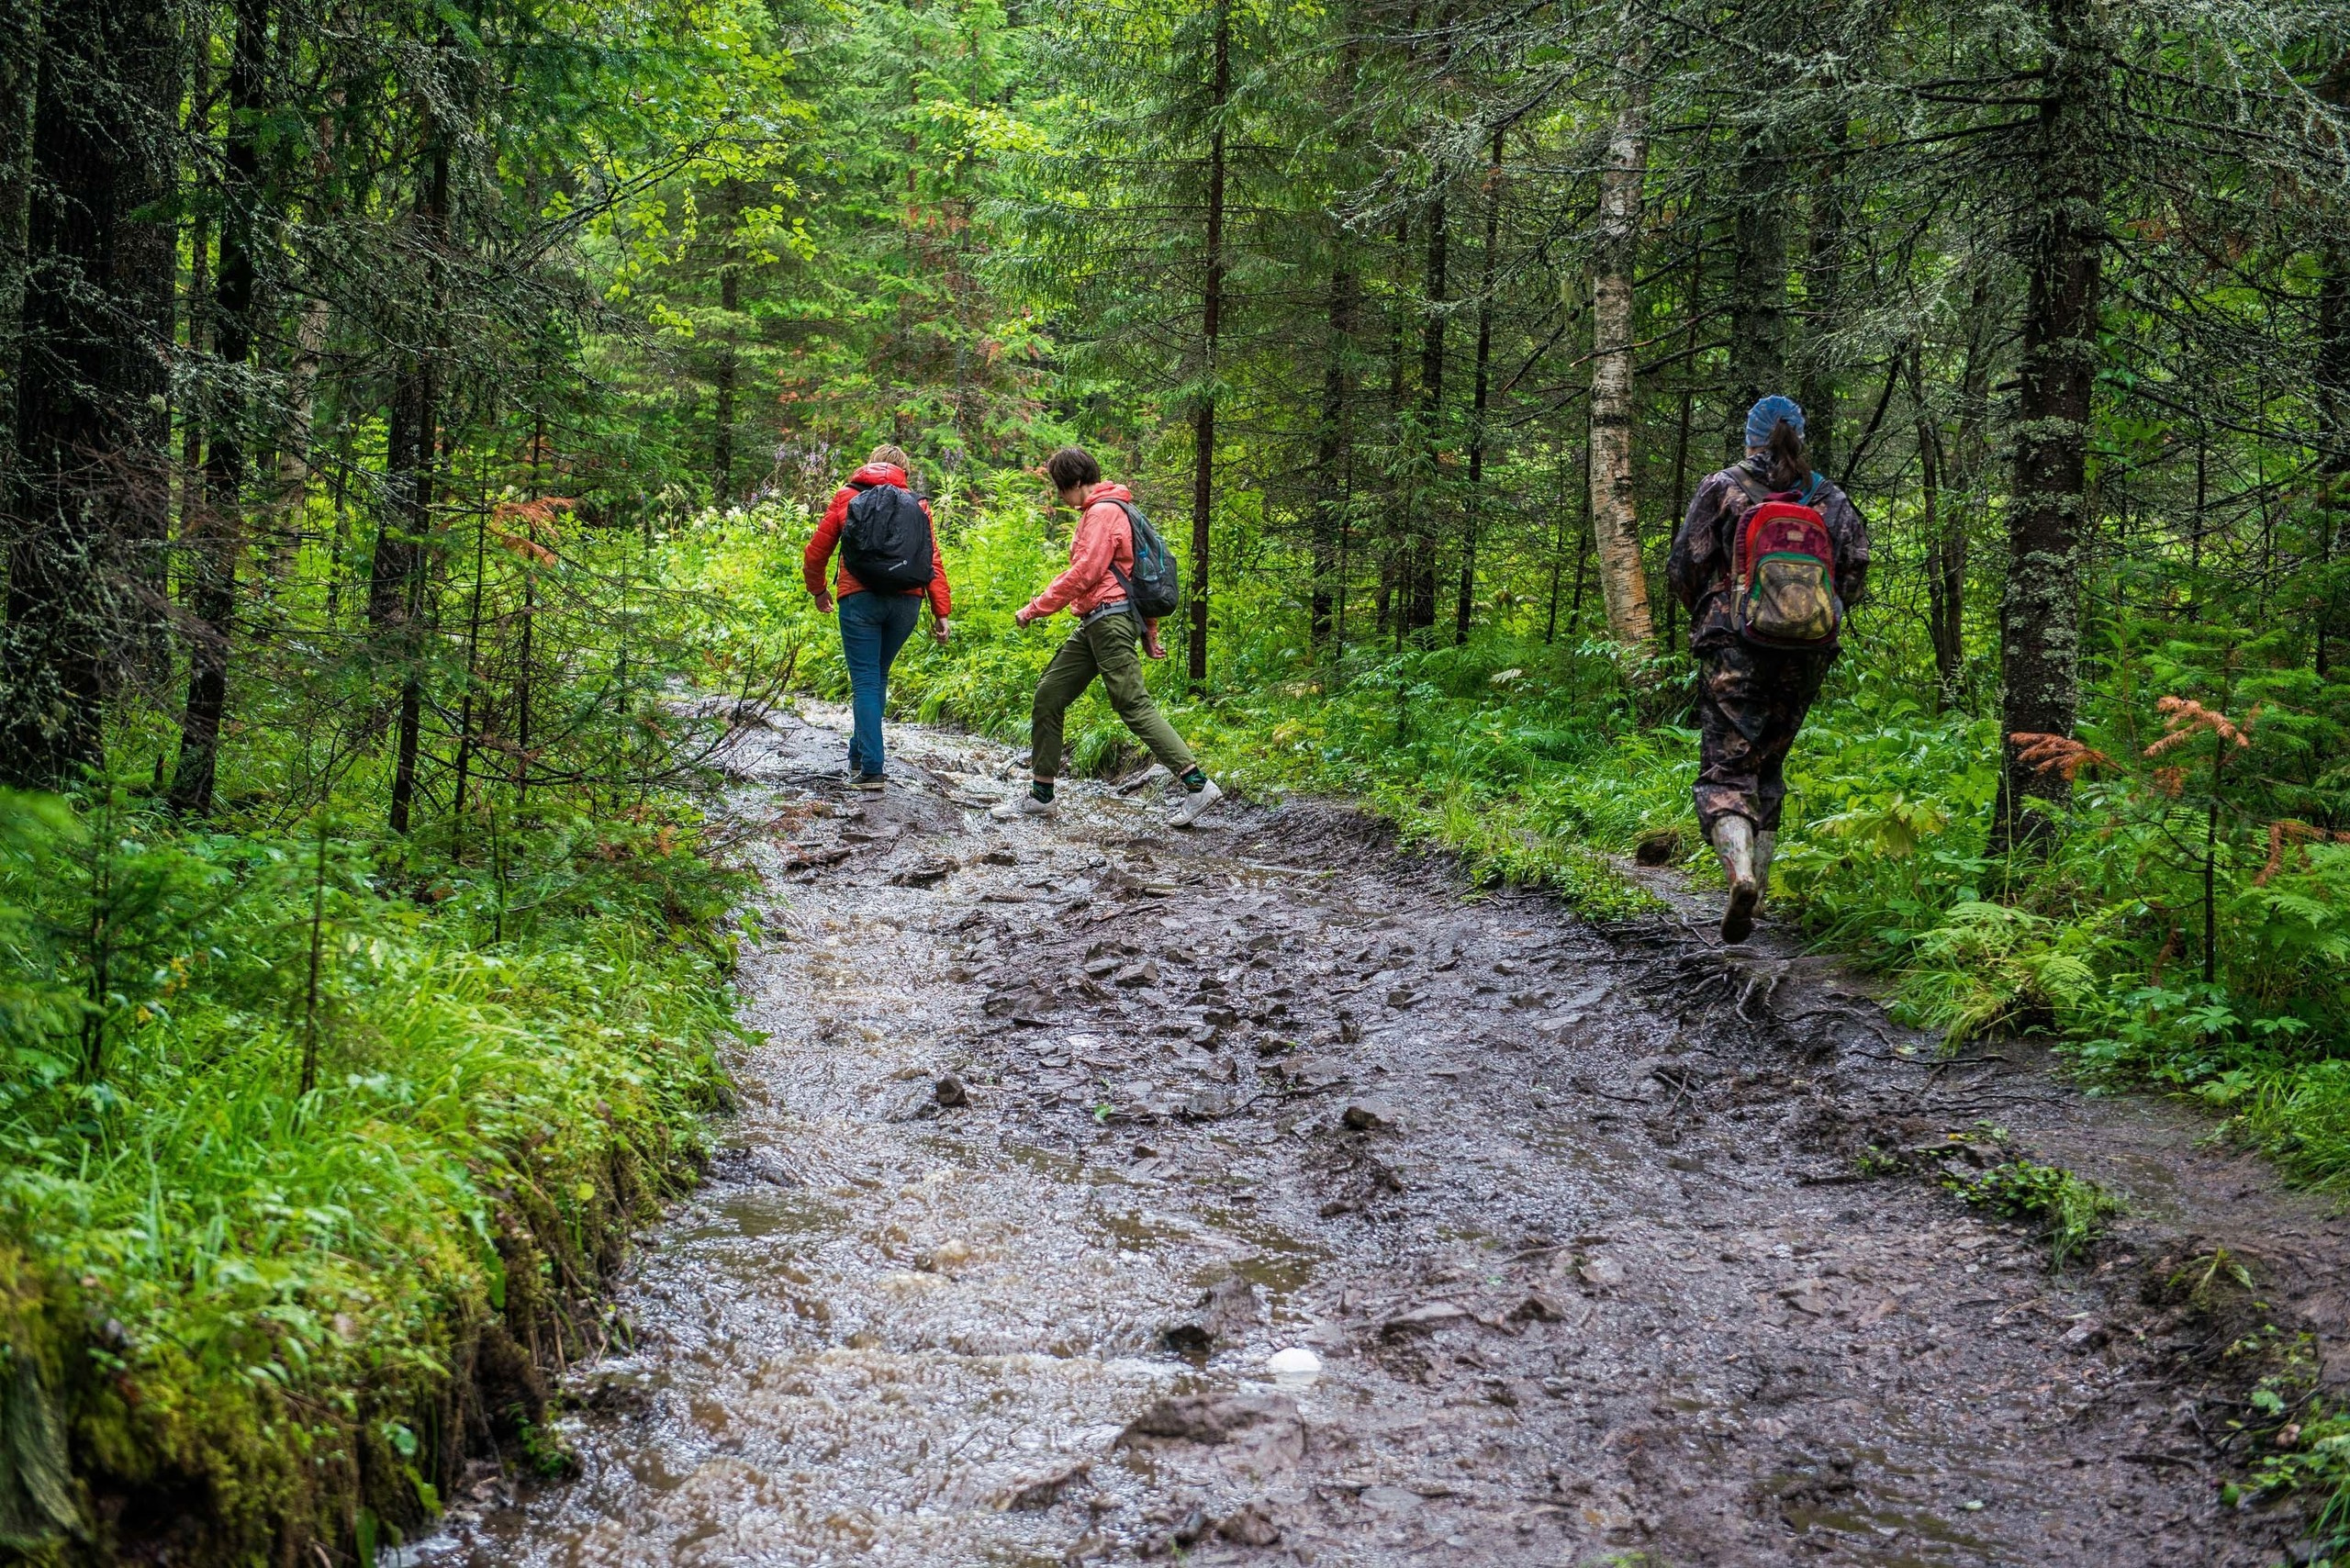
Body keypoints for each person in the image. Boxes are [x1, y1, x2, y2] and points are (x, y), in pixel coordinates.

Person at [1666, 396, 1870, 944]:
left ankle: (1742, 875)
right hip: (1806, 652)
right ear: (1799, 435)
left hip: (1734, 645)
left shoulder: (1723, 487)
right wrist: (1808, 620)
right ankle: (1759, 898)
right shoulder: (1829, 497)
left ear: (1750, 435)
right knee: (1770, 766)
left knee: (1726, 772)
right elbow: (1853, 573)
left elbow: (1684, 566)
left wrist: (1713, 613)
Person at [993, 446, 1222, 826]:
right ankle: (1041, 796)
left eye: (1060, 488)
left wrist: (1034, 608)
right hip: (1097, 621)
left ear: (1076, 482)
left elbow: (1086, 572)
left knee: (1133, 705)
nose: (1061, 496)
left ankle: (1198, 786)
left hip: (1109, 621)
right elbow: (1133, 574)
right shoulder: (1114, 509)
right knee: (1049, 695)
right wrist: (1149, 629)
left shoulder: (1102, 513)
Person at [803, 443, 953, 790]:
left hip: (860, 600)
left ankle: (872, 769)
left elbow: (816, 552)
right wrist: (940, 610)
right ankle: (858, 754)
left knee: (866, 682)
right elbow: (933, 560)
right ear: (904, 471)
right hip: (907, 603)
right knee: (877, 677)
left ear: (869, 465)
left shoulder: (846, 497)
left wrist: (818, 590)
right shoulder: (918, 504)